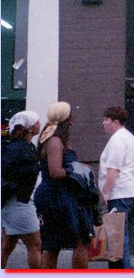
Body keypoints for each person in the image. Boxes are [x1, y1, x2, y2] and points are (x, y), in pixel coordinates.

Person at [33, 102, 95, 269]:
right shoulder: (55, 141)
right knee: (79, 240)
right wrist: (75, 171)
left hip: (56, 195)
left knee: (53, 245)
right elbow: (55, 171)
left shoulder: (52, 138)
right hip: (57, 196)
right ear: (67, 119)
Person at [99, 106, 134, 269]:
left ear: (115, 122)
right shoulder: (127, 137)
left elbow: (114, 169)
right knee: (118, 236)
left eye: (106, 120)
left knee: (117, 238)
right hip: (126, 192)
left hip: (118, 194)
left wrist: (105, 192)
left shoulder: (117, 139)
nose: (103, 123)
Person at [1, 111, 42, 269]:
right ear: (30, 128)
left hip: (11, 203)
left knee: (7, 246)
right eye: (37, 122)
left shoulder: (18, 147)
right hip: (20, 203)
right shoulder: (24, 149)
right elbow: (10, 173)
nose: (40, 124)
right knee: (35, 245)